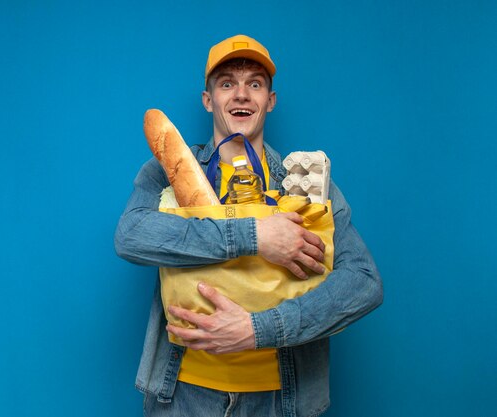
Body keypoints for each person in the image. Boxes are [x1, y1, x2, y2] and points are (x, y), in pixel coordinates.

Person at [115, 34, 383, 417]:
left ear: (269, 101)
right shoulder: (167, 173)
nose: (241, 94)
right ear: (208, 100)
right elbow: (131, 236)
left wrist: (259, 330)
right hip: (182, 397)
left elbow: (363, 283)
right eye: (227, 84)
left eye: (255, 84)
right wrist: (256, 236)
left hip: (279, 401)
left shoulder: (307, 182)